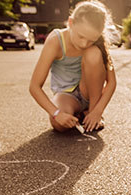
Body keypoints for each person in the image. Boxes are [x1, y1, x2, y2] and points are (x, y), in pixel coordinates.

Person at [29, 0, 117, 133]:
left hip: (90, 95)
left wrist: (97, 112)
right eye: (81, 36)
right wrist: (56, 114)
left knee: (93, 53)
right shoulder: (56, 41)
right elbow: (34, 86)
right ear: (71, 22)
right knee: (58, 125)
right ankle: (80, 115)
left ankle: (90, 113)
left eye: (91, 40)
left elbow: (111, 82)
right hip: (67, 96)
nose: (84, 43)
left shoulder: (98, 43)